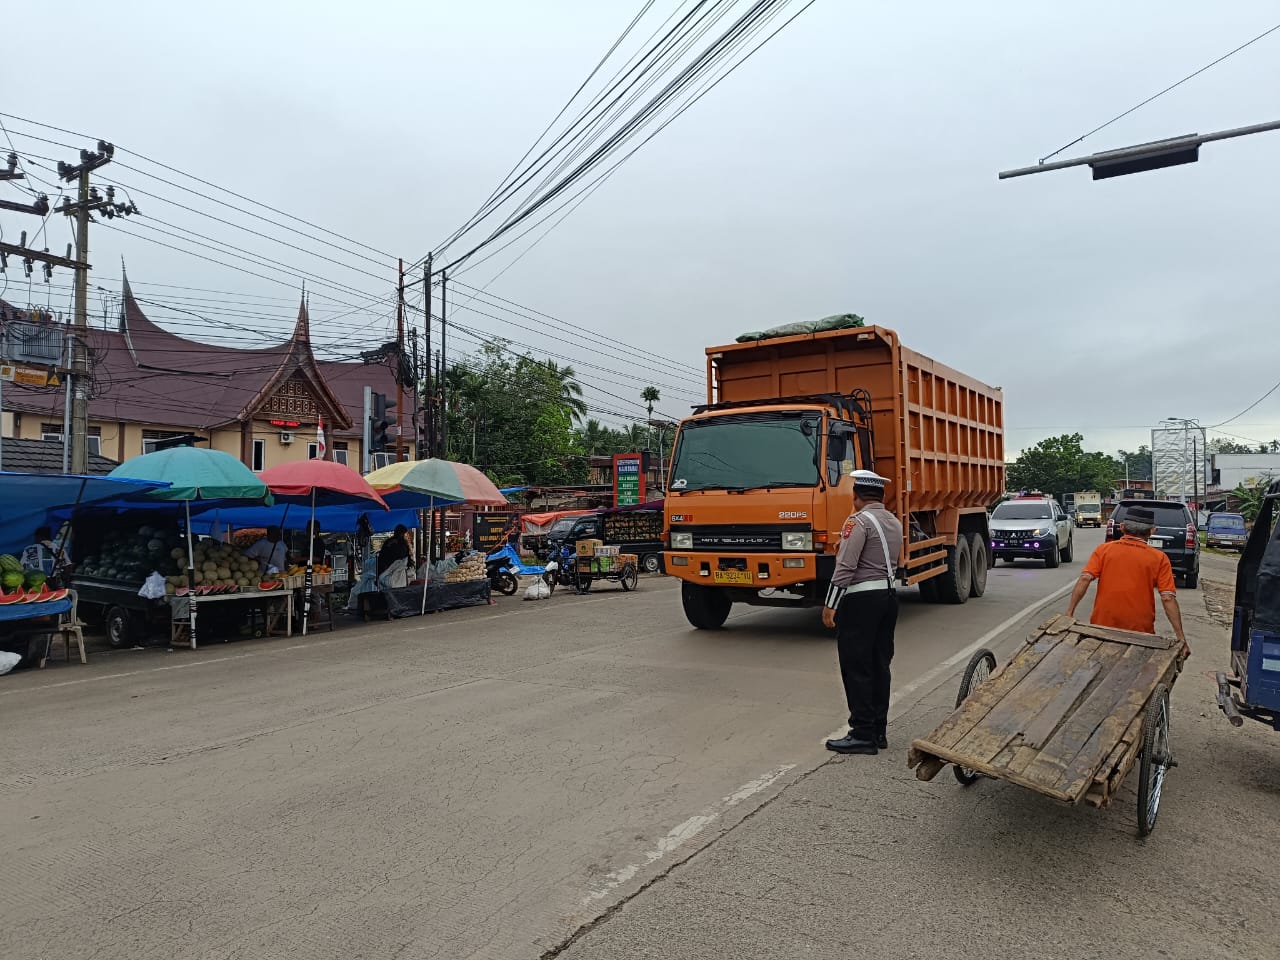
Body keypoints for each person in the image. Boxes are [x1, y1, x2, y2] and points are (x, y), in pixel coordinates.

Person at [822, 470, 904, 755]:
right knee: (880, 664)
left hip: (861, 601)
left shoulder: (857, 522)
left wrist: (830, 604)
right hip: (888, 597)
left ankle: (862, 733)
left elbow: (845, 568)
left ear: (855, 498)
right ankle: (878, 730)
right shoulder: (893, 521)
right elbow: (893, 560)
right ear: (880, 496)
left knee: (857, 667)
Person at [1066, 506, 1189, 656]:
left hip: (1102, 626)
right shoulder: (1159, 558)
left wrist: (1069, 612)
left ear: (1122, 528)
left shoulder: (1103, 550)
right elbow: (1168, 597)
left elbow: (1085, 578)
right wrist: (1180, 638)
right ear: (1152, 531)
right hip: (1140, 631)